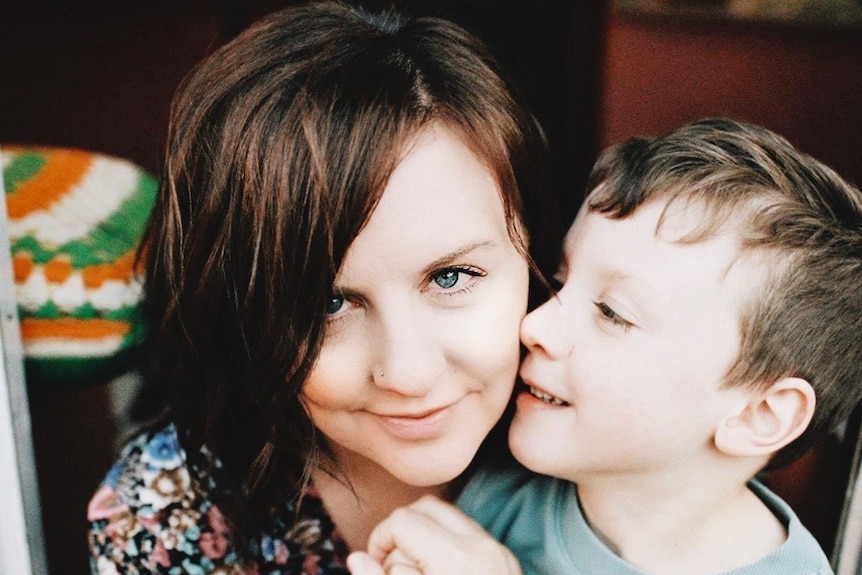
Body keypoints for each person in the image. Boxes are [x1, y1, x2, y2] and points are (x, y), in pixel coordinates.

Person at [86, 1, 560, 573]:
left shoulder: (624, 445)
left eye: (450, 277)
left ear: (533, 252)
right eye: (328, 304)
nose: (408, 375)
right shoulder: (164, 518)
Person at [347, 118, 862, 575]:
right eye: (559, 280)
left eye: (612, 313)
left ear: (760, 414)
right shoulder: (499, 496)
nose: (536, 325)